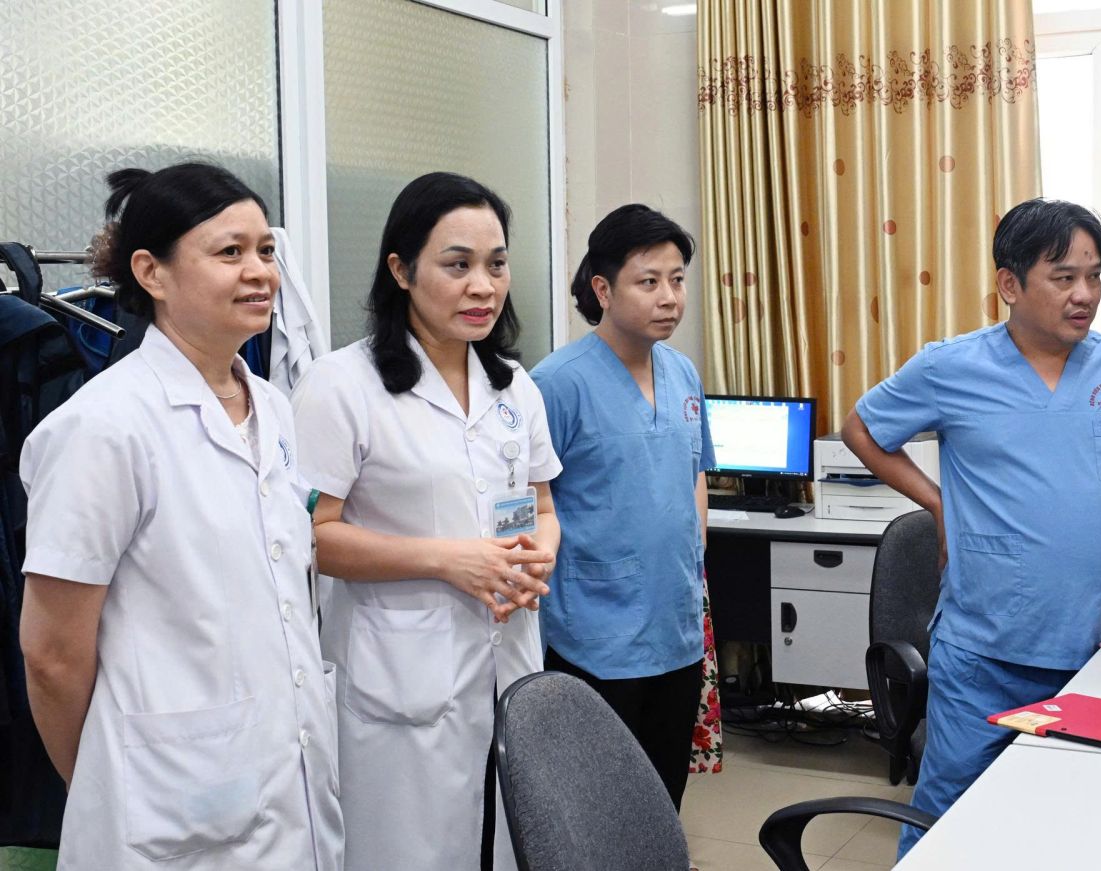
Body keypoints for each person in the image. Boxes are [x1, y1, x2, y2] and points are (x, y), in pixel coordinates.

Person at [841, 198, 1101, 857]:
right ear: (1010, 284)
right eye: (1064, 277)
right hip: (983, 654)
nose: (1084, 294)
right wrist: (938, 503)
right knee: (950, 819)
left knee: (1075, 823)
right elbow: (861, 430)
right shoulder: (952, 367)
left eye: (1093, 276)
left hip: (1092, 651)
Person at [18, 163, 342, 869]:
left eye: (266, 250)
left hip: (288, 785)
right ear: (151, 273)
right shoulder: (103, 427)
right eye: (230, 252)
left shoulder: (274, 409)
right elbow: (51, 654)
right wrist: (108, 778)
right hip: (165, 817)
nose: (260, 272)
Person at [290, 173, 561, 871]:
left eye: (496, 264)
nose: (483, 286)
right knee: (407, 850)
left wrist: (541, 553)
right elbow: (311, 537)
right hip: (398, 674)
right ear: (401, 270)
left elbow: (543, 506)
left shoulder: (514, 386)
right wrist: (448, 560)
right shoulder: (341, 385)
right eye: (457, 264)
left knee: (508, 838)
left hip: (507, 653)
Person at [532, 204, 712, 809]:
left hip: (676, 626)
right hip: (595, 634)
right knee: (598, 808)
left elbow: (694, 471)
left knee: (663, 796)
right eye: (649, 281)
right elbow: (529, 499)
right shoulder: (557, 384)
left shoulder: (682, 373)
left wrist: (695, 555)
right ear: (603, 290)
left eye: (677, 280)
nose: (669, 298)